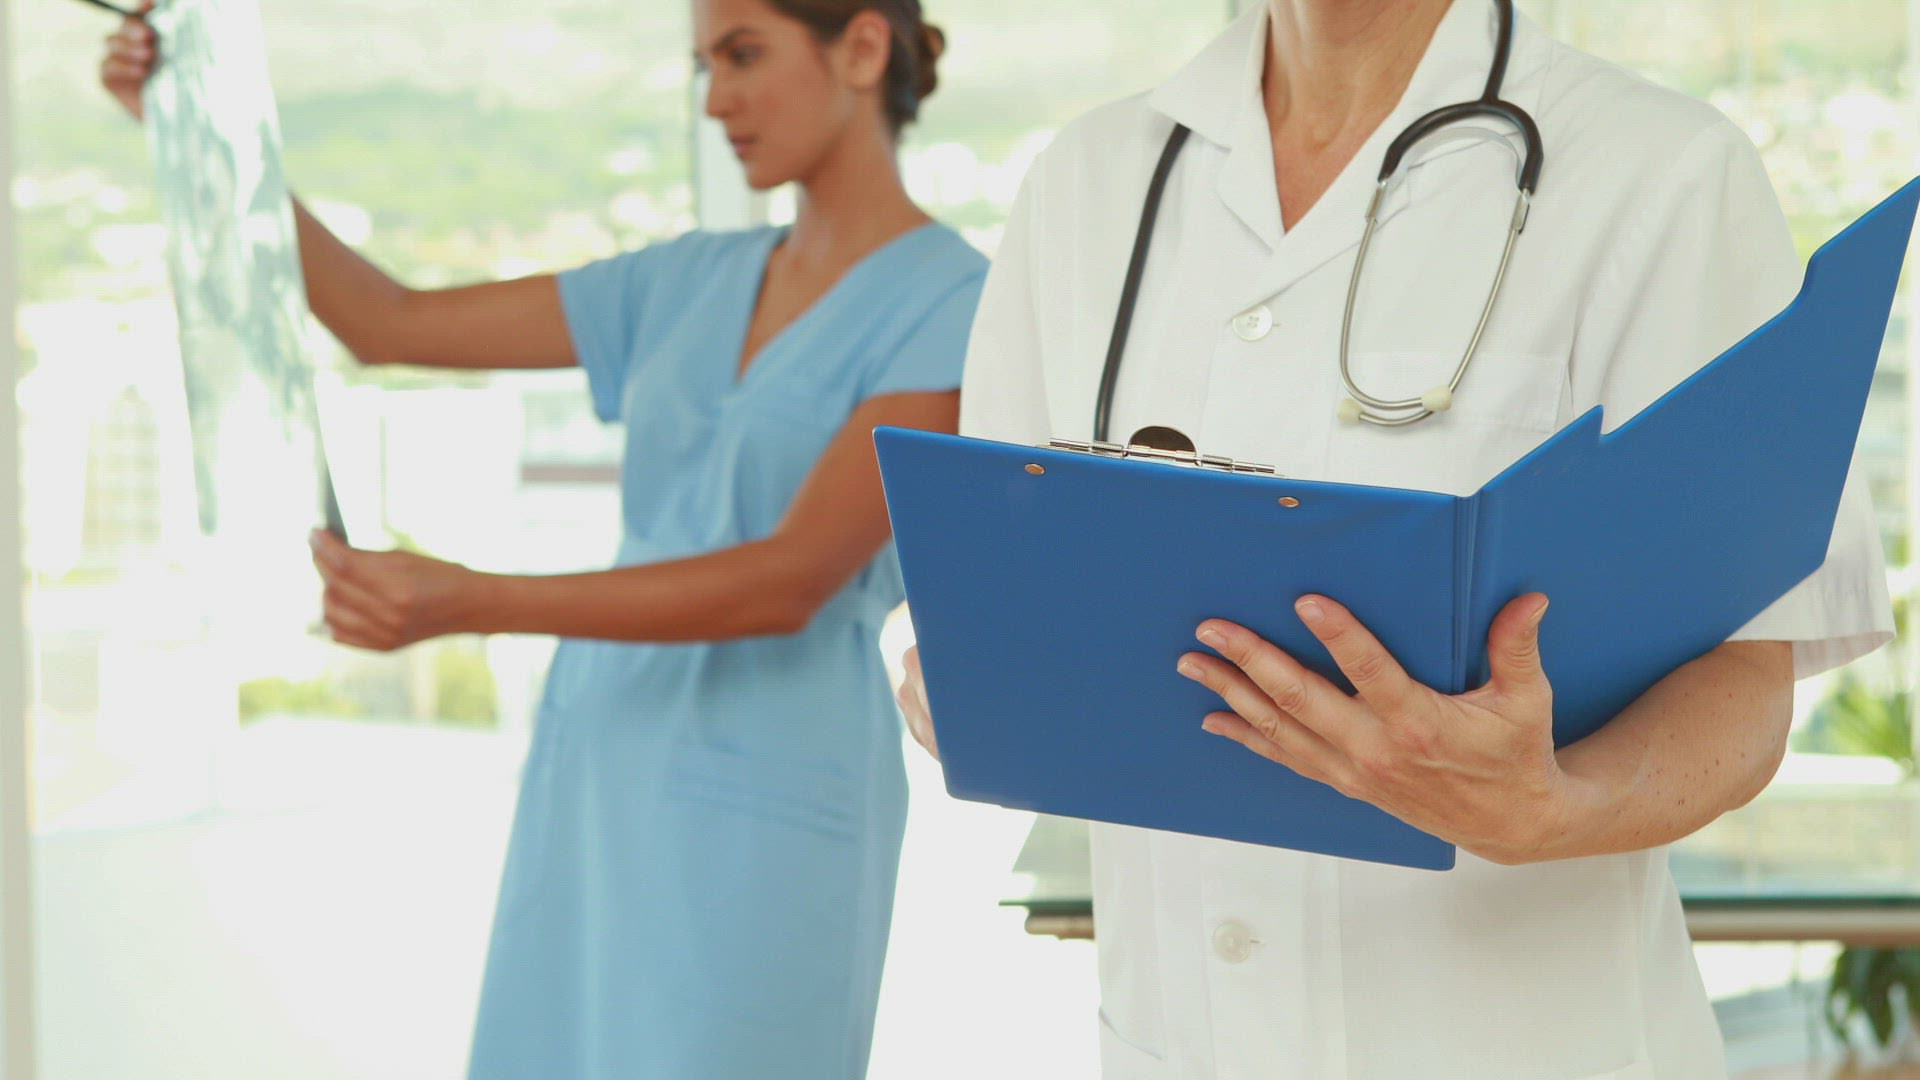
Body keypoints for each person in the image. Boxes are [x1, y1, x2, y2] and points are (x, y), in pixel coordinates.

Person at [892, 1, 1890, 1077]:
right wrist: (977, 679)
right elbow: (997, 572)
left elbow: (1746, 673)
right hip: (1173, 1038)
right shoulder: (1087, 183)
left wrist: (1555, 810)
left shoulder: (1660, 170)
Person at [103, 0, 985, 1075]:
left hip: (779, 796)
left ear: (862, 46)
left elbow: (790, 580)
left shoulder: (953, 304)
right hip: (597, 773)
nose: (716, 100)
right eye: (704, 66)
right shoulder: (684, 280)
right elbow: (387, 322)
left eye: (744, 55)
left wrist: (473, 601)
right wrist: (197, 126)